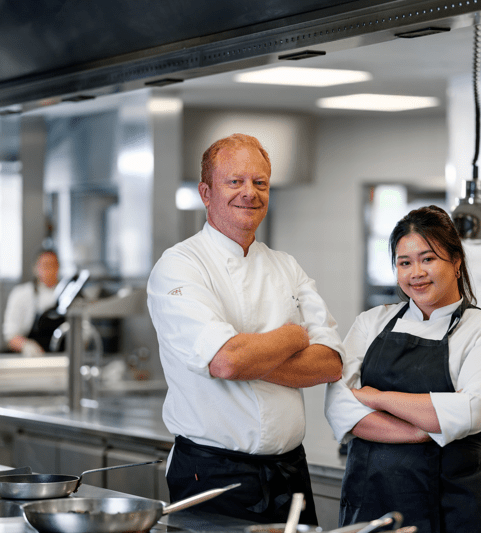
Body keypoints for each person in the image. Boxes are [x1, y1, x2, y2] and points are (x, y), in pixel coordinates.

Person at [146, 133, 345, 525]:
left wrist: (245, 355)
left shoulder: (287, 266)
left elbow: (330, 364)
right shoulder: (180, 266)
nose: (249, 193)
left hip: (290, 472)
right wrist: (293, 336)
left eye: (260, 183)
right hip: (212, 473)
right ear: (206, 193)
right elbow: (226, 362)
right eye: (234, 182)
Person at [324, 205, 481, 533]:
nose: (416, 273)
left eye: (428, 259)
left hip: (455, 505)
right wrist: (417, 430)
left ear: (456, 262)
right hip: (371, 498)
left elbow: (468, 411)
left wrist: (377, 397)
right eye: (404, 262)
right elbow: (340, 408)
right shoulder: (371, 323)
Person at [2, 248, 61, 357]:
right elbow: (10, 335)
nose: (50, 270)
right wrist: (27, 346)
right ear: (35, 268)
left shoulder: (67, 295)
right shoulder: (21, 294)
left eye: (53, 265)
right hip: (30, 360)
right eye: (45, 265)